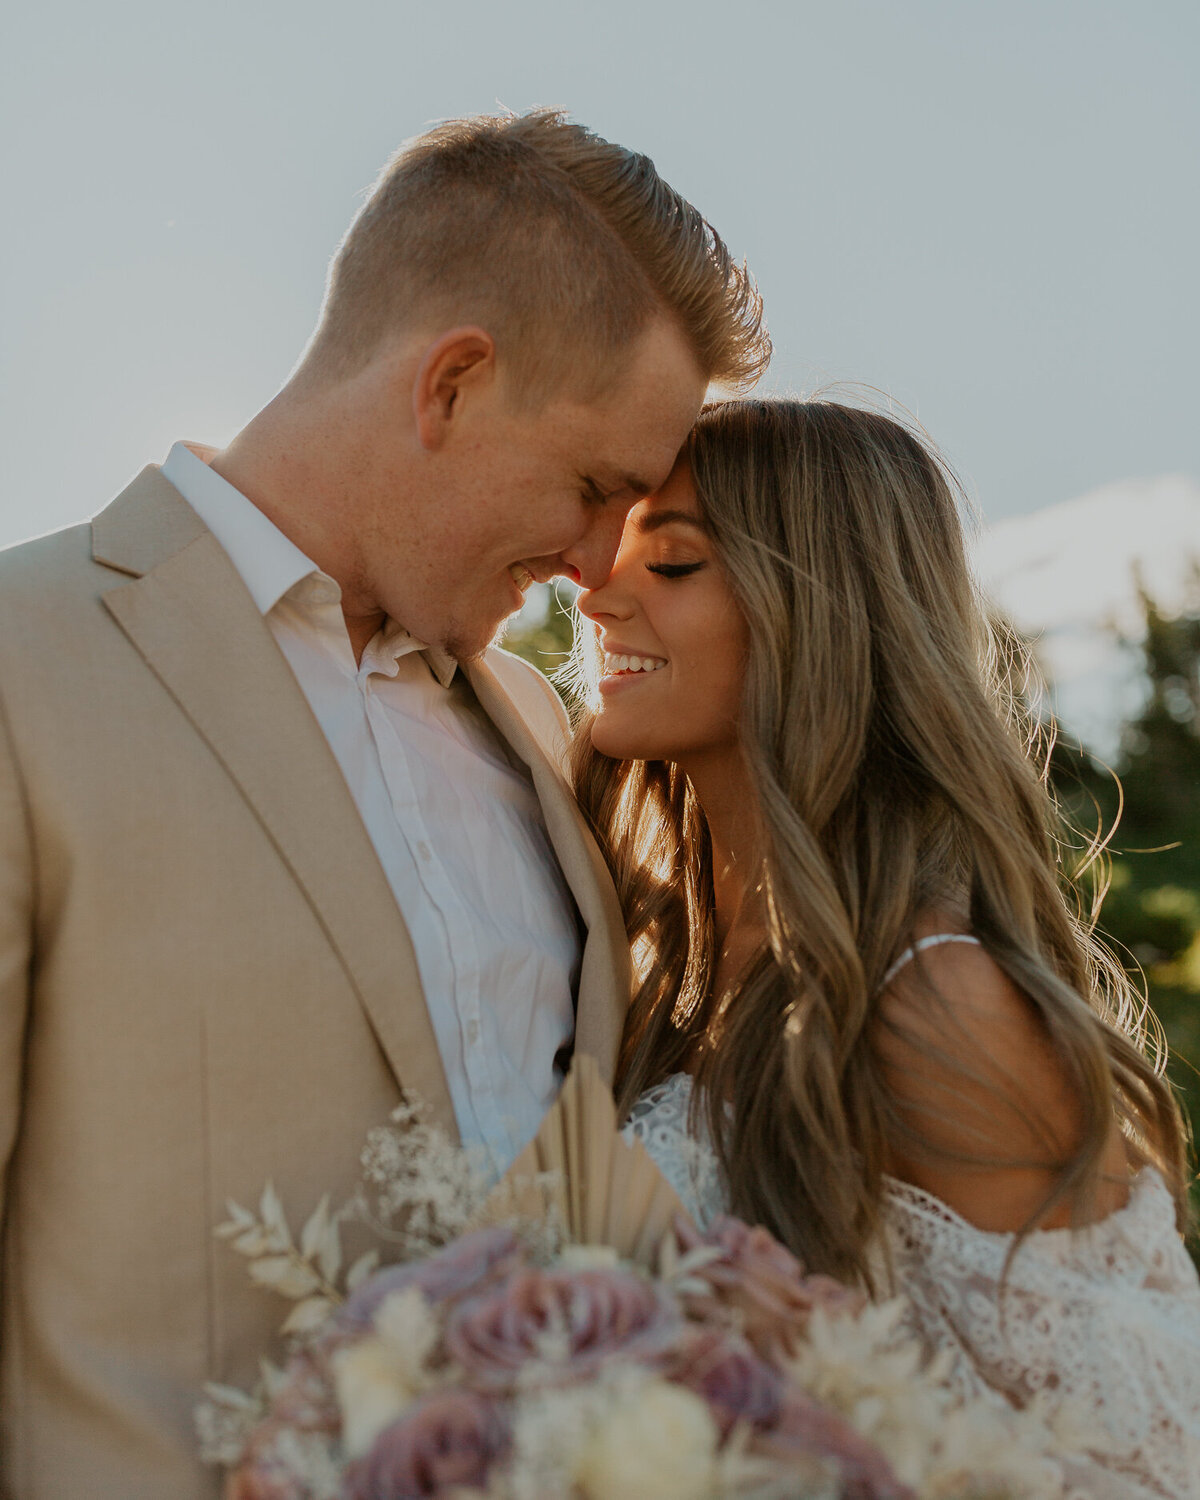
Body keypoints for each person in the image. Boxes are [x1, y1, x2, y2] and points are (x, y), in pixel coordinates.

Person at [0, 111, 769, 1498]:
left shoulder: (543, 734)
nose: (603, 564)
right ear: (453, 384)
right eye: (597, 488)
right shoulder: (21, 662)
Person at [573, 397, 1200, 1497]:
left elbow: (1149, 1461)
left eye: (672, 565)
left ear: (819, 609)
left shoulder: (932, 1003)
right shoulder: (646, 962)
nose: (593, 592)